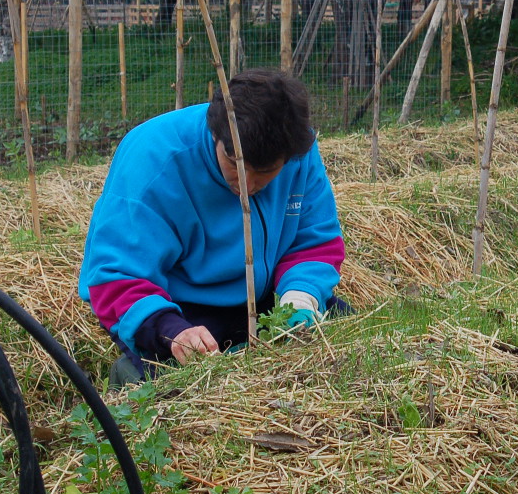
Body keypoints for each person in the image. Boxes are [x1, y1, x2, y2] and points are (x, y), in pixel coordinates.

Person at [79, 68, 345, 384]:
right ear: (215, 133)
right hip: (182, 310)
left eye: (265, 172)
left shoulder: (297, 150)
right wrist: (170, 330)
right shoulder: (153, 160)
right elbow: (114, 277)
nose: (247, 185)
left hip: (270, 296)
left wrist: (300, 299)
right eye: (235, 165)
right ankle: (135, 372)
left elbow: (313, 240)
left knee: (345, 345)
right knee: (180, 383)